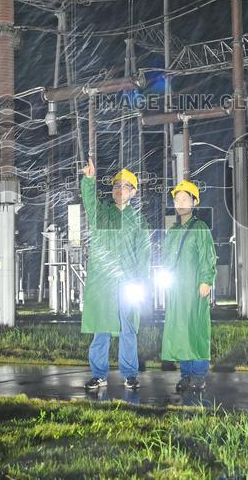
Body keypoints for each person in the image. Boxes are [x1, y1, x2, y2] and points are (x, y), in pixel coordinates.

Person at [80, 157, 151, 392]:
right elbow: (89, 201)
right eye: (116, 186)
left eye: (125, 186)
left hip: (128, 283)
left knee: (128, 328)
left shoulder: (138, 221)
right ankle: (98, 374)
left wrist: (143, 283)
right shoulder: (102, 214)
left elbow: (144, 256)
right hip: (104, 283)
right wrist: (89, 180)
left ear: (134, 192)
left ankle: (129, 374)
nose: (119, 190)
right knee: (102, 328)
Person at [160, 180, 217, 392]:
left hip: (195, 287)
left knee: (197, 329)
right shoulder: (173, 231)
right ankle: (185, 374)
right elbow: (167, 259)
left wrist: (206, 280)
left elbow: (207, 258)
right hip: (177, 290)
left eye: (185, 199)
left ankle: (199, 374)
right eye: (177, 199)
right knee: (180, 330)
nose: (181, 202)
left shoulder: (200, 228)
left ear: (194, 202)